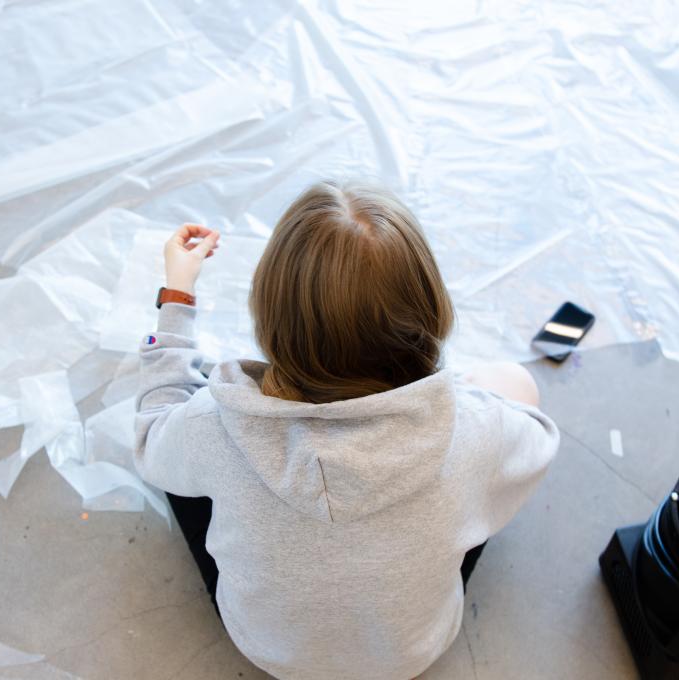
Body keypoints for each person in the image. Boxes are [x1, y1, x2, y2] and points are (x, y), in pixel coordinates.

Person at [133, 180, 560, 679]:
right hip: (411, 651)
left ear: (271, 313)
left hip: (268, 647)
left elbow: (150, 437)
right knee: (512, 383)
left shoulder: (215, 422)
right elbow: (534, 445)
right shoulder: (475, 427)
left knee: (186, 435)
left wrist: (176, 298)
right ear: (429, 310)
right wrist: (461, 401)